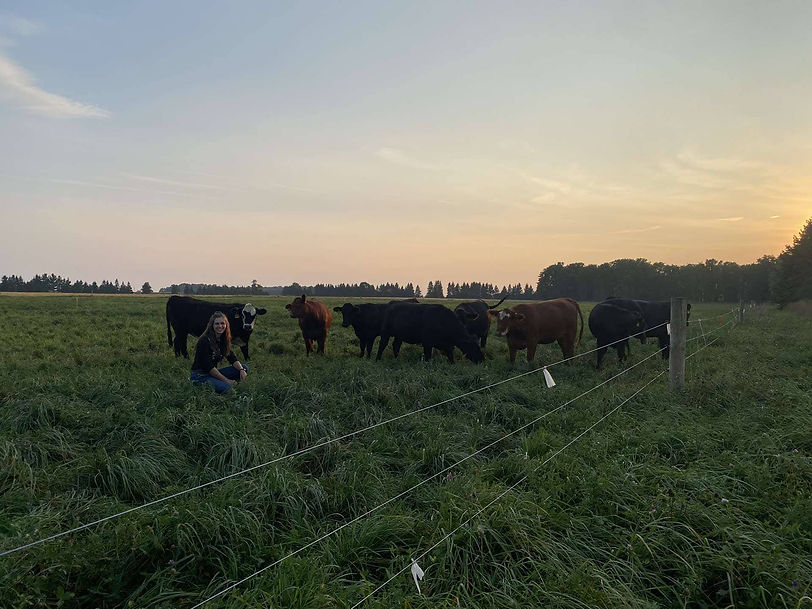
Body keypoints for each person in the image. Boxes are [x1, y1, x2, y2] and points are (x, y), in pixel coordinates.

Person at [189, 311, 248, 394]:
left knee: (244, 367)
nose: (220, 326)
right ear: (212, 325)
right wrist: (227, 381)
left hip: (212, 373)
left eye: (222, 323)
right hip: (200, 376)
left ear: (226, 325)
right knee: (228, 388)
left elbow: (232, 358)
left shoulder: (223, 340)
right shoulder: (204, 341)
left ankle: (219, 384)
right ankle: (213, 390)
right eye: (217, 324)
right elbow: (208, 367)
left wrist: (241, 370)